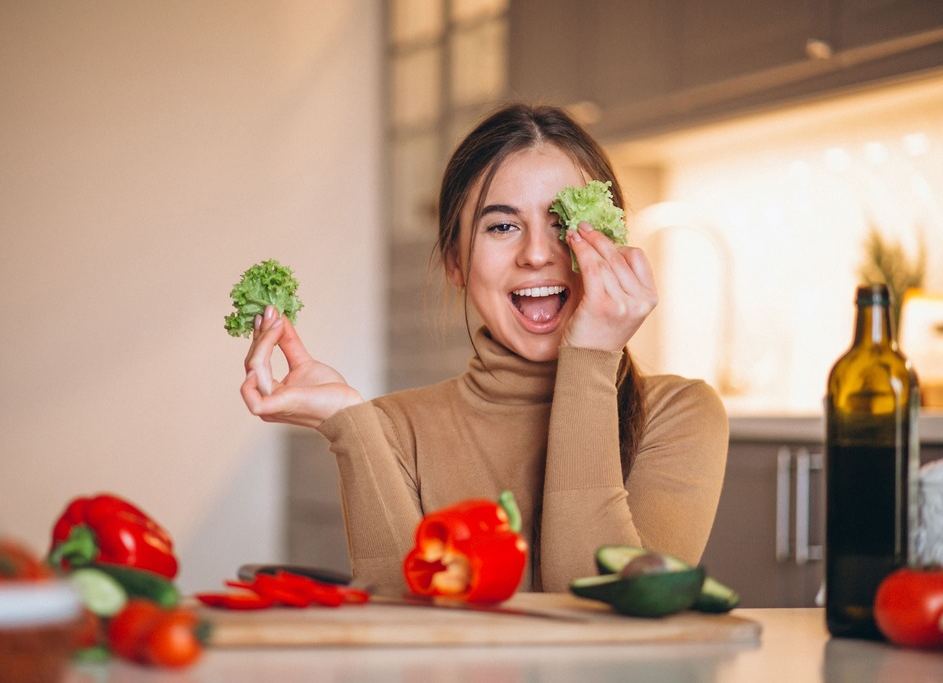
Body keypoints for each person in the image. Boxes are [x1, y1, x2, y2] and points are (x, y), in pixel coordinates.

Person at [241, 103, 728, 593]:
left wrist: (592, 358)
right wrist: (349, 424)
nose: (538, 253)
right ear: (455, 261)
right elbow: (407, 633)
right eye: (502, 226)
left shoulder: (680, 414)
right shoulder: (391, 429)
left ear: (612, 241)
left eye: (563, 222)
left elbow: (600, 619)